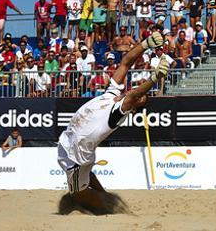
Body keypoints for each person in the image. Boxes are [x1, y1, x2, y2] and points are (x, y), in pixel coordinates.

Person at [57, 31, 168, 215]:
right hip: (74, 144)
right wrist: (145, 43)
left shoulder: (118, 112)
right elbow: (125, 62)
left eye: (141, 99)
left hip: (75, 155)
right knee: (88, 174)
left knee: (77, 193)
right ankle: (104, 196)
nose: (139, 95)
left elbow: (133, 95)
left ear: (133, 107)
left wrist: (154, 78)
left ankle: (102, 209)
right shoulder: (111, 94)